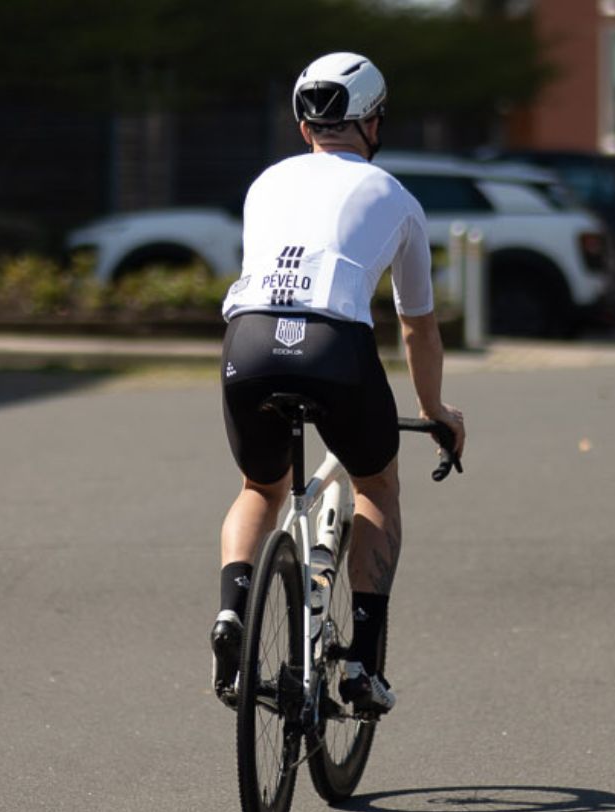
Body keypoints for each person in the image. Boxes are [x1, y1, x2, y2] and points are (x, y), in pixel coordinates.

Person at [210, 52, 466, 715]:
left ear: (304, 126)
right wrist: (434, 409)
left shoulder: (265, 183)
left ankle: (232, 614)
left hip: (249, 339)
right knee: (377, 483)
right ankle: (360, 664)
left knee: (258, 488)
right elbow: (418, 328)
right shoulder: (398, 200)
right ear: (374, 122)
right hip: (334, 346)